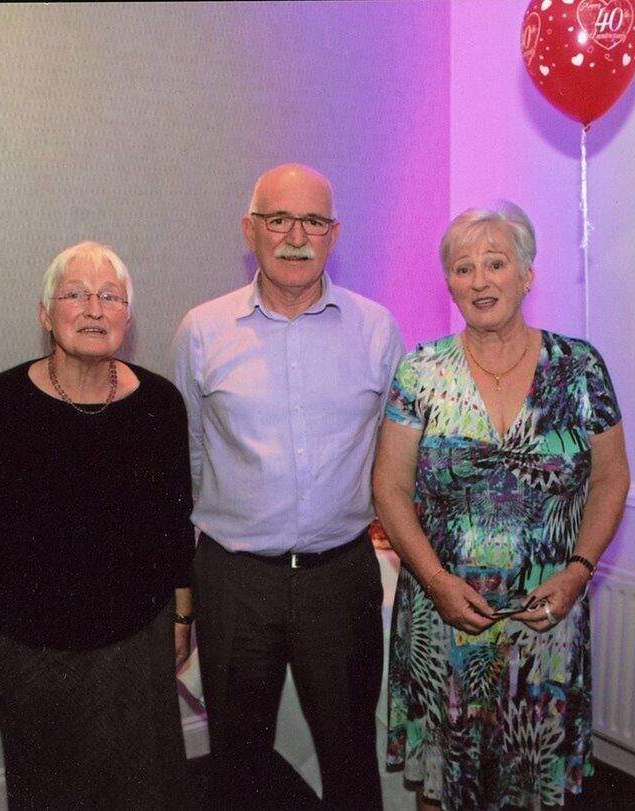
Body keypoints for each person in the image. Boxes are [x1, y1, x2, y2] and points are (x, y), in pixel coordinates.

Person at [372, 204, 630, 810]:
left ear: (527, 275)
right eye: (464, 268)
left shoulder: (580, 369)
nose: (480, 280)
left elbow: (612, 479)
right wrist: (435, 581)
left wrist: (578, 571)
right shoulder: (420, 371)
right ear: (450, 284)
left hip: (546, 622)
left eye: (496, 263)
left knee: (530, 782)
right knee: (443, 781)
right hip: (445, 620)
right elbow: (389, 488)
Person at [172, 163, 404, 809]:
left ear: (334, 234)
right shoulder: (203, 330)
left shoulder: (378, 330)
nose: (295, 235)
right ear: (252, 230)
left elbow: (396, 452)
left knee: (351, 751)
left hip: (341, 576)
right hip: (236, 579)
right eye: (278, 219)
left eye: (313, 221)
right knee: (238, 761)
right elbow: (189, 454)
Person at [0, 241, 195, 810]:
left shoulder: (160, 404)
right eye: (75, 295)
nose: (94, 309)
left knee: (145, 792)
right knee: (52, 793)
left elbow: (175, 527)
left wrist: (181, 617)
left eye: (110, 297)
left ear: (128, 318)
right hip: (34, 651)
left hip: (138, 643)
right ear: (44, 313)